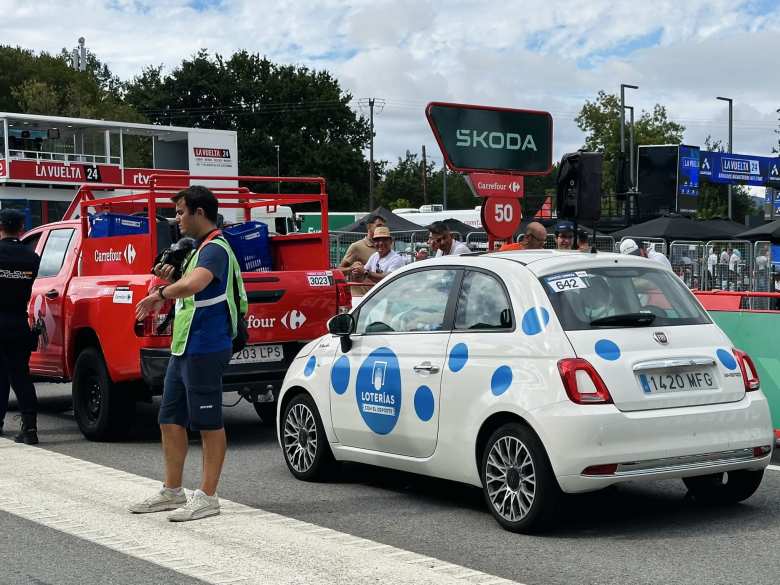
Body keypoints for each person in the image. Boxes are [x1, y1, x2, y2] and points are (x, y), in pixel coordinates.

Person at [131, 186, 247, 522]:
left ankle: (208, 497)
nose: (176, 219)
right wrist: (172, 278)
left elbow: (196, 284)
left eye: (181, 212)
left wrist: (160, 293)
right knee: (169, 419)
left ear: (199, 212)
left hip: (207, 346)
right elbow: (193, 286)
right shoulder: (200, 248)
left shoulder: (215, 249)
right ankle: (172, 491)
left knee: (208, 423)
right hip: (185, 346)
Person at [0, 209, 41, 444]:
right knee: (21, 376)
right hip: (18, 322)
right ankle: (30, 428)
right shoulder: (31, 258)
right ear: (22, 228)